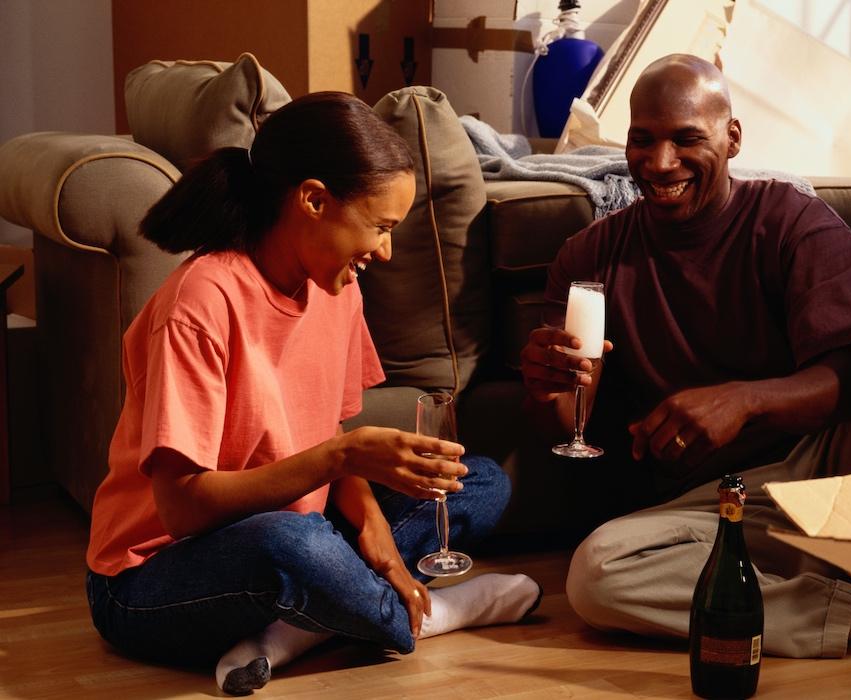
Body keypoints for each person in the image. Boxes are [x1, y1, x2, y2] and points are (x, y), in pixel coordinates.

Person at [519, 55, 851, 659]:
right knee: (596, 575)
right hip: (730, 510)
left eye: (686, 139)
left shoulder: (795, 224)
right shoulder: (589, 257)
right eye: (642, 140)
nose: (660, 162)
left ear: (732, 138)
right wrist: (547, 390)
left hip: (837, 461)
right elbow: (571, 422)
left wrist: (744, 400)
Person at [85, 92, 541, 696]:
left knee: (476, 482)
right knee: (293, 541)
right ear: (313, 200)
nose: (384, 251)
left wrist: (377, 535)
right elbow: (182, 508)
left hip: (290, 530)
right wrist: (342, 459)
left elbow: (326, 435)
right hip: (152, 577)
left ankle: (295, 627)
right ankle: (425, 618)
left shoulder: (337, 289)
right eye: (380, 227)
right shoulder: (201, 303)